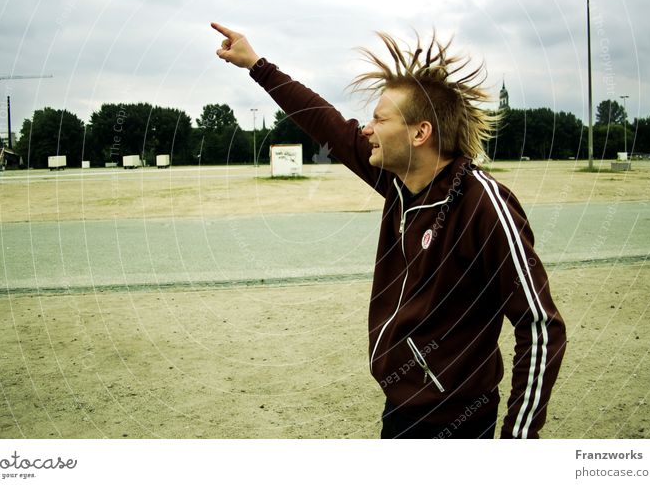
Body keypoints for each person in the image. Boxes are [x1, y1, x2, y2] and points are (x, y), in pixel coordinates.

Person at [211, 22, 567, 439]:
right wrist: (257, 65)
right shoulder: (400, 183)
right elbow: (326, 124)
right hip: (400, 407)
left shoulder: (483, 205)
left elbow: (541, 325)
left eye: (379, 119)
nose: (365, 129)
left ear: (420, 133)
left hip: (458, 424)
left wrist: (518, 440)